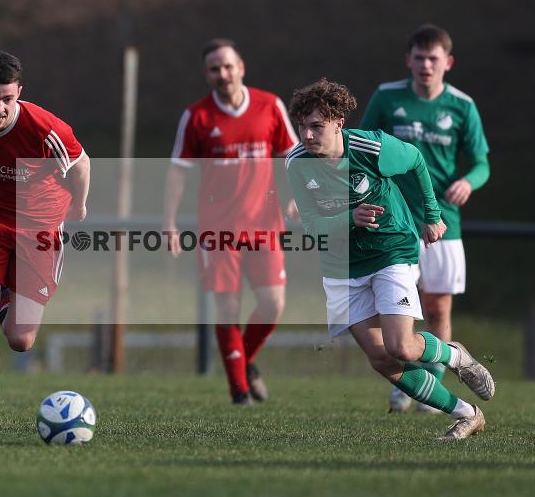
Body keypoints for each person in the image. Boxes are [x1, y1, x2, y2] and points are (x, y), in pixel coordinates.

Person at [285, 78, 494, 440]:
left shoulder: (370, 146)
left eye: (316, 126)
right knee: (382, 359)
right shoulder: (296, 163)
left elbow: (416, 160)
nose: (306, 135)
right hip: (342, 265)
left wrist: (431, 215)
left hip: (390, 249)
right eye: (301, 126)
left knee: (402, 347)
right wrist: (351, 218)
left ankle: (455, 356)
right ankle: (467, 414)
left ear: (338, 123)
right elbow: (314, 225)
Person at [0, 50, 90, 430]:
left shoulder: (43, 128)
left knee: (20, 340)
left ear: (19, 93)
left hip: (40, 224)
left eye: (7, 99)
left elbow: (81, 163)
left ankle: (7, 294)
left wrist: (79, 205)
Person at [360, 24, 491, 413]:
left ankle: (432, 383)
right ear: (408, 60)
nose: (426, 65)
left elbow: (482, 163)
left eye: (434, 58)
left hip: (443, 223)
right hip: (394, 221)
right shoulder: (387, 97)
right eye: (419, 58)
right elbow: (362, 147)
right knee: (396, 309)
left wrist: (468, 181)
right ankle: (408, 382)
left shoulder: (462, 106)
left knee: (437, 309)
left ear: (448, 62)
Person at [163, 38, 299, 405]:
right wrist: (169, 221)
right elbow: (177, 171)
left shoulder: (270, 105)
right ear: (206, 75)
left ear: (241, 67)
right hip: (217, 230)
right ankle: (239, 391)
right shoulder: (197, 116)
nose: (222, 74)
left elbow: (294, 157)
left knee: (273, 304)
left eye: (227, 66)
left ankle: (244, 362)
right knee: (227, 309)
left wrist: (299, 196)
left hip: (265, 225)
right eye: (214, 69)